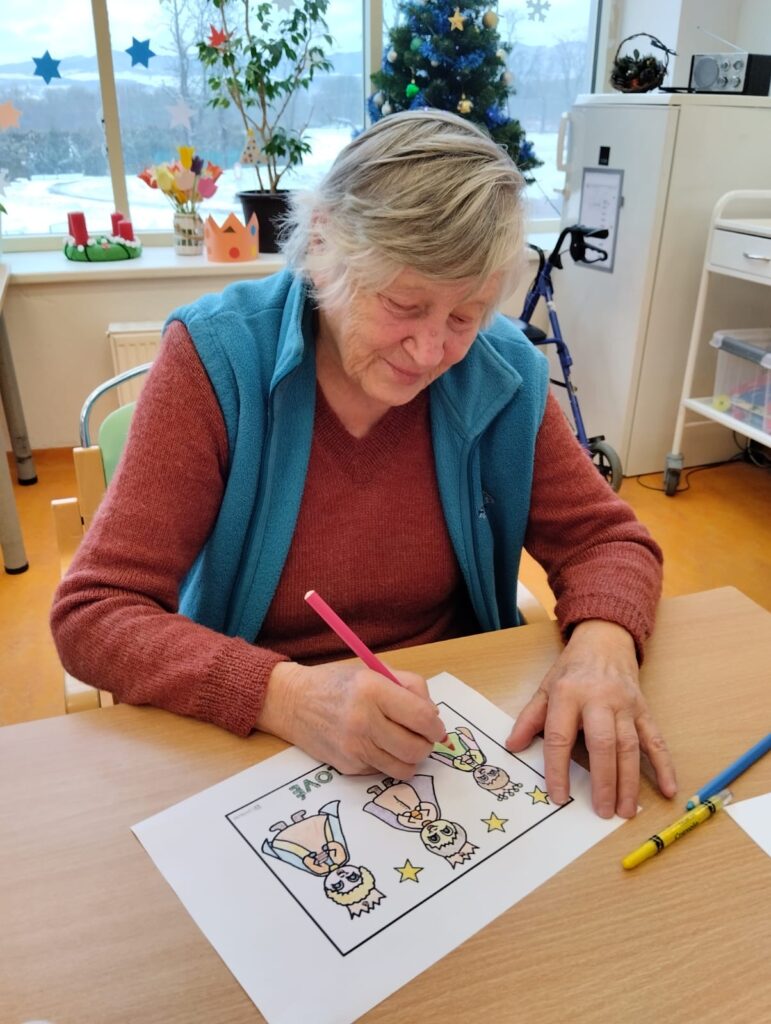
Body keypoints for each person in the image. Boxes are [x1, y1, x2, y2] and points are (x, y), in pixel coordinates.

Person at [51, 110, 677, 820]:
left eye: (465, 316)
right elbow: (94, 613)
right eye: (403, 304)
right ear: (322, 244)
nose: (431, 352)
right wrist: (285, 695)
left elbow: (606, 541)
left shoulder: (500, 373)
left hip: (446, 727)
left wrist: (601, 645)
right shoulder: (216, 359)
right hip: (250, 743)